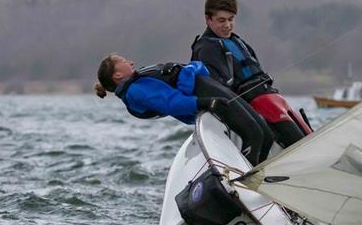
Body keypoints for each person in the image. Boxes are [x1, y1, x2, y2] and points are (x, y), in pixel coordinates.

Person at [94, 54, 274, 165]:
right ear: (117, 75)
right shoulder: (135, 91)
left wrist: (193, 70)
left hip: (206, 88)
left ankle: (260, 182)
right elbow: (173, 103)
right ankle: (246, 186)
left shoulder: (137, 80)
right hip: (205, 94)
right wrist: (207, 102)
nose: (131, 62)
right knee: (255, 135)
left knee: (265, 133)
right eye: (125, 61)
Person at [191, 0, 312, 147]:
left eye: (231, 19)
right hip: (254, 105)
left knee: (310, 138)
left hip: (273, 98)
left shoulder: (237, 41)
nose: (227, 25)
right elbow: (217, 88)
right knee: (300, 144)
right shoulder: (207, 48)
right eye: (221, 20)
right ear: (208, 19)